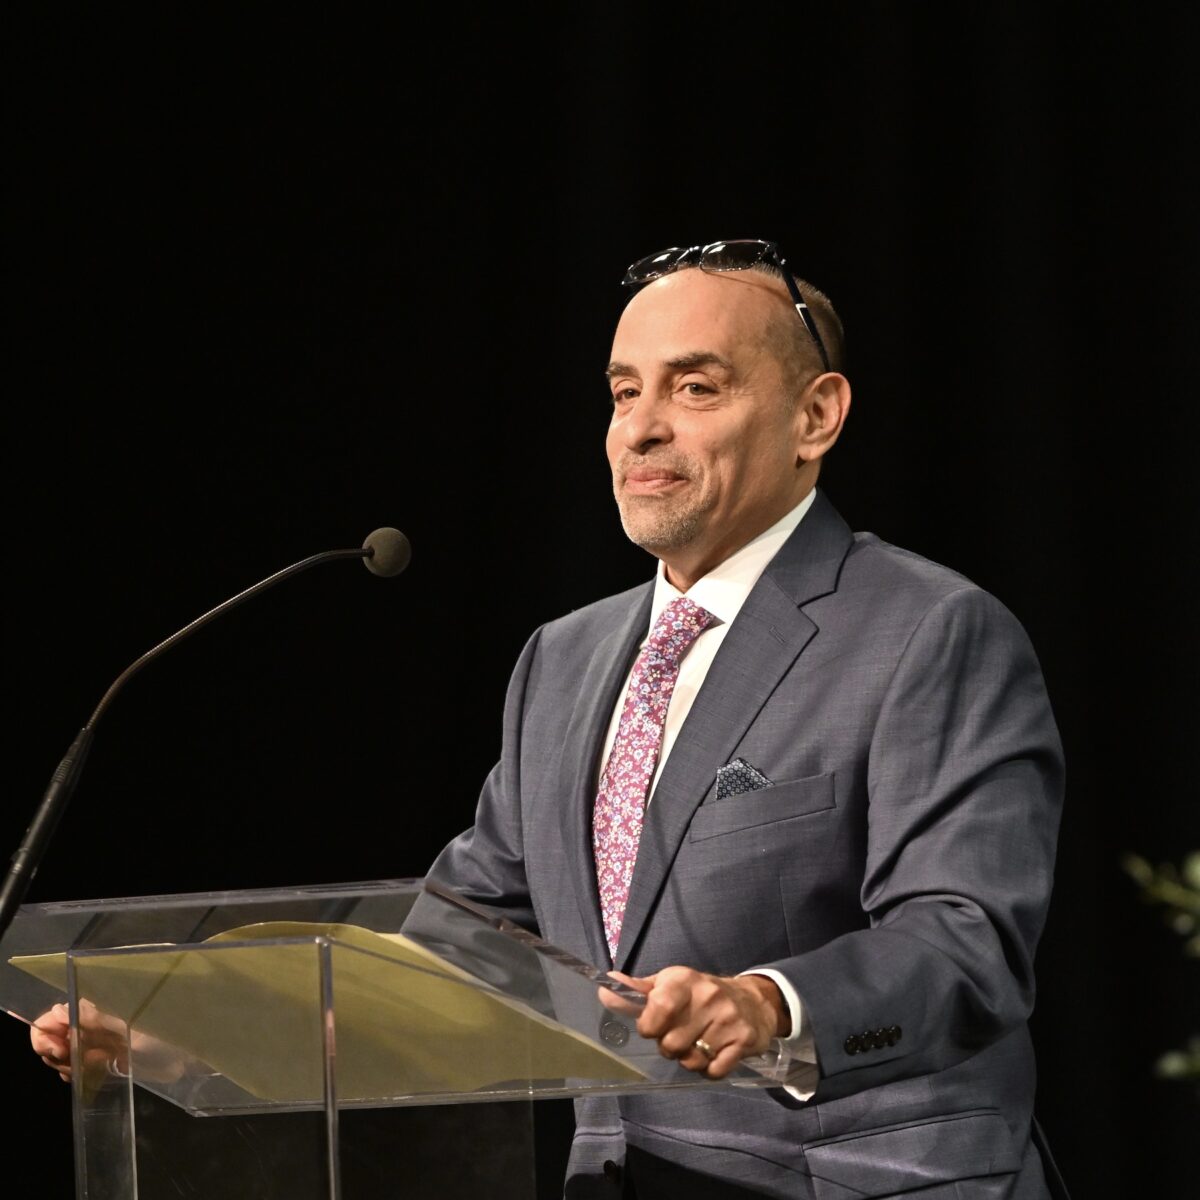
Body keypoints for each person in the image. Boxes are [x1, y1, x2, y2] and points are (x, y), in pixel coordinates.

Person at [33, 239, 1067, 1199]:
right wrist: (203, 1046)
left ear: (816, 416)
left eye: (695, 387)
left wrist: (766, 1003)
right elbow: (457, 955)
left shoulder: (929, 630)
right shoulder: (563, 659)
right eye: (625, 393)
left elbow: (964, 941)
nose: (644, 426)